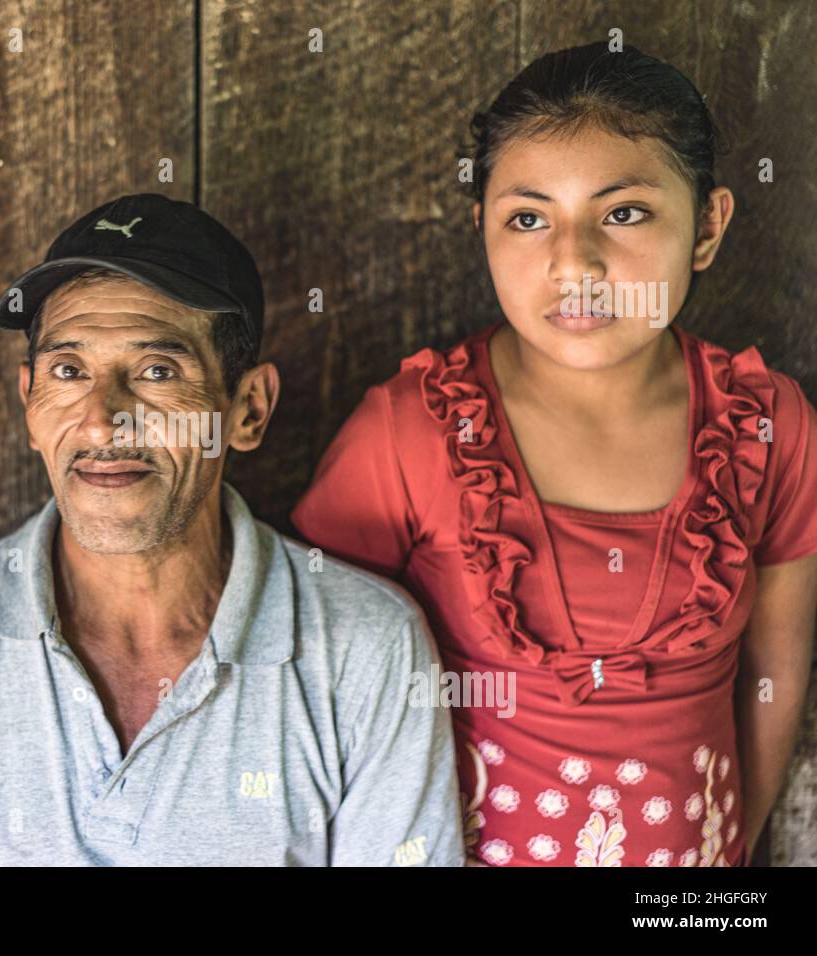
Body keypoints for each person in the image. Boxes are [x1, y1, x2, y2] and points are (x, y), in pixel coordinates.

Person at [0, 192, 465, 866]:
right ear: (29, 405)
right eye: (68, 372)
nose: (102, 422)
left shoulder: (365, 646)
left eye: (159, 371)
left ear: (248, 409)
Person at [292, 42, 817, 867]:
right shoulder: (408, 432)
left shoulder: (768, 427)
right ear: (483, 232)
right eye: (528, 218)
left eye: (624, 212)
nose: (574, 262)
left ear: (708, 226)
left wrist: (729, 854)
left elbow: (776, 665)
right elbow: (317, 672)